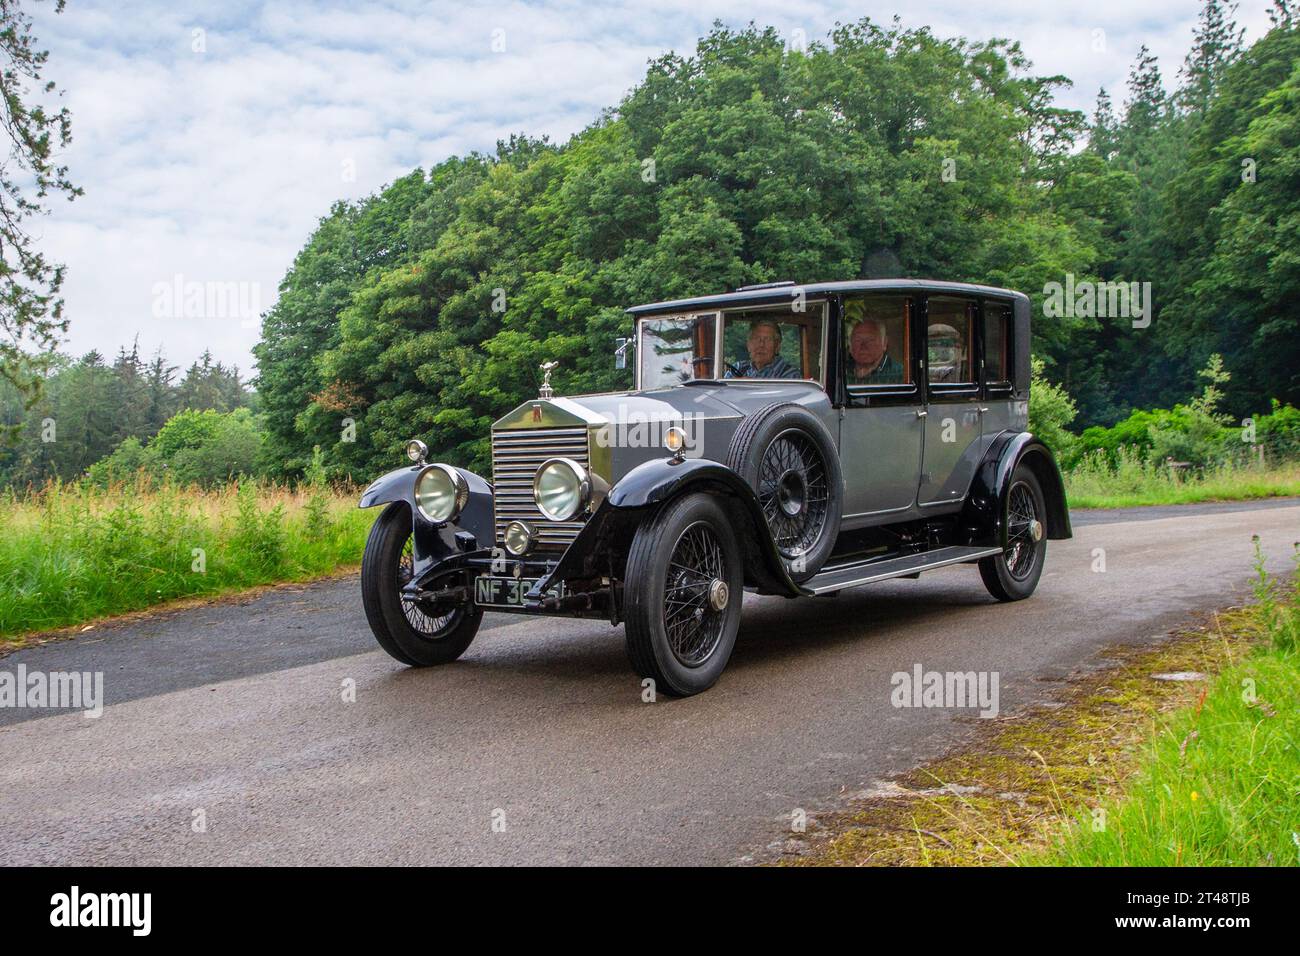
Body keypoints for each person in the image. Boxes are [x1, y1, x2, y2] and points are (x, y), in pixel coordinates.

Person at [727, 319, 797, 379]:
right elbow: (722, 392)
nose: (761, 345)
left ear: (777, 346)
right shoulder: (738, 368)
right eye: (756, 339)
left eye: (767, 339)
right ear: (748, 345)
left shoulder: (790, 374)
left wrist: (748, 386)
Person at [847, 317, 905, 384]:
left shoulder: (900, 375)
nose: (863, 346)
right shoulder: (839, 372)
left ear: (884, 344)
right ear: (850, 345)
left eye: (870, 340)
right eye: (858, 340)